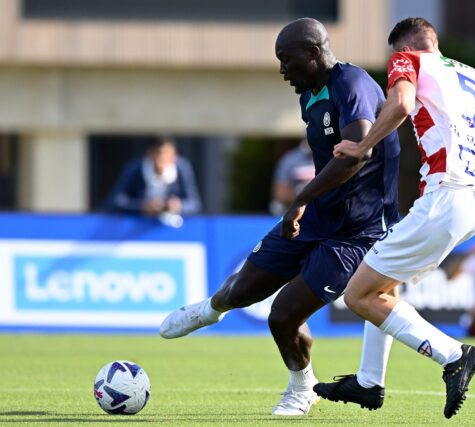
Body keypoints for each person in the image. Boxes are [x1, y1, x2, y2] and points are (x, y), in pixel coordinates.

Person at [159, 18, 401, 416]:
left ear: (313, 53)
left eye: (287, 60)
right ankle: (210, 310)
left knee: (282, 315)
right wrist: (307, 205)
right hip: (317, 216)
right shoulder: (309, 94)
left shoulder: (351, 85)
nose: (282, 70)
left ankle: (302, 388)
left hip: (355, 232)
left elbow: (359, 153)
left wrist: (299, 200)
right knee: (239, 291)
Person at [313, 17, 475, 419]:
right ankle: (368, 382)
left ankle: (454, 356)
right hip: (473, 205)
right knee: (383, 284)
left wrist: (363, 145)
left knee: (359, 296)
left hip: (443, 199)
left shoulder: (407, 59)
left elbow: (400, 104)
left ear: (404, 47)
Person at [105, 137, 202, 225]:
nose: (162, 158)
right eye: (158, 153)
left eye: (166, 153)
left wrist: (177, 205)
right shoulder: (134, 169)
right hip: (136, 227)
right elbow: (115, 201)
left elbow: (194, 203)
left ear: (174, 156)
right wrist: (143, 207)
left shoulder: (182, 169)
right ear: (149, 154)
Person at [270, 139, 315, 215]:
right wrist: (305, 199)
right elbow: (280, 192)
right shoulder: (290, 159)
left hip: (324, 208)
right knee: (276, 206)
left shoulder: (329, 157)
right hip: (295, 209)